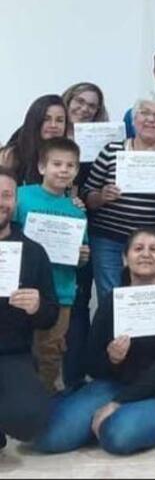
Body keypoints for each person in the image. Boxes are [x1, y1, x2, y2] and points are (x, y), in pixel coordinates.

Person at [34, 228, 155, 455]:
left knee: (116, 437)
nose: (146, 254)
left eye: (154, 249)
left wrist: (118, 402)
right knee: (48, 439)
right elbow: (91, 363)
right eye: (138, 248)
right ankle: (92, 414)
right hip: (118, 383)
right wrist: (113, 358)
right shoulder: (114, 299)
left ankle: (116, 416)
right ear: (124, 257)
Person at [82, 93, 155, 303]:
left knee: (151, 301)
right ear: (134, 120)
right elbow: (87, 196)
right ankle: (114, 337)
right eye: (145, 113)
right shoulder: (111, 151)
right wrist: (102, 196)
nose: (151, 119)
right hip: (110, 240)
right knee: (110, 299)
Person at [13, 138, 90, 393]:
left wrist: (82, 256)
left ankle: (43, 399)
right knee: (18, 348)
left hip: (61, 292)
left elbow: (82, 255)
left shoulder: (77, 210)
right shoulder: (21, 196)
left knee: (50, 352)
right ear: (42, 167)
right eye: (57, 163)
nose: (64, 170)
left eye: (70, 165)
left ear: (77, 171)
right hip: (18, 288)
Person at [0, 166, 59, 450]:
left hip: (11, 355)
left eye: (6, 195)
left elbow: (51, 315)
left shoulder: (33, 251)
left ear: (15, 201)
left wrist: (37, 307)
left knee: (29, 419)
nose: (0, 202)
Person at [60, 82, 110, 388]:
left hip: (86, 231)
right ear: (68, 100)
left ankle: (76, 379)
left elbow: (97, 187)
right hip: (43, 228)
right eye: (80, 101)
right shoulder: (47, 135)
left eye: (92, 105)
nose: (85, 109)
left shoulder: (100, 144)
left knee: (78, 303)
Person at [0, 95, 67, 185]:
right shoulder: (11, 155)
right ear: (35, 120)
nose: (53, 125)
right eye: (46, 119)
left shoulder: (68, 156)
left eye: (59, 120)